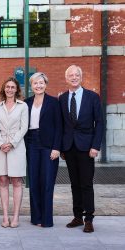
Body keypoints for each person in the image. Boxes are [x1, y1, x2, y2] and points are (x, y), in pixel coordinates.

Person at [59, 65, 103, 233]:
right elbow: (62, 125)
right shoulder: (62, 98)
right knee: (74, 184)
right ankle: (77, 216)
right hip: (69, 148)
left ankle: (89, 218)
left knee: (86, 184)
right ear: (66, 78)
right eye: (71, 75)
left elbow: (99, 123)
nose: (74, 77)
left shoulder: (92, 97)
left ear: (81, 77)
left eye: (77, 75)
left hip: (87, 148)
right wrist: (62, 147)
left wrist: (95, 146)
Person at [24, 72, 62, 227]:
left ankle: (46, 219)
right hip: (31, 143)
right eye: (35, 83)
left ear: (46, 84)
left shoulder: (54, 102)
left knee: (47, 182)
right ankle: (36, 217)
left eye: (41, 83)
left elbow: (60, 126)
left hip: (48, 145)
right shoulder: (26, 102)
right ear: (31, 86)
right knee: (34, 181)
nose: (38, 86)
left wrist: (56, 148)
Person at [0, 77, 28, 228]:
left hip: (17, 147)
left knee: (17, 181)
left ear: (17, 89)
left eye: (13, 87)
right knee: (3, 181)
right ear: (4, 89)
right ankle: (5, 217)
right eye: (7, 87)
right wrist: (1, 144)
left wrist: (12, 143)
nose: (10, 89)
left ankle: (15, 217)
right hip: (0, 148)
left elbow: (24, 127)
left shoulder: (23, 106)